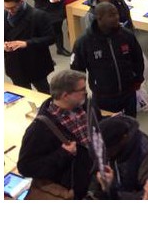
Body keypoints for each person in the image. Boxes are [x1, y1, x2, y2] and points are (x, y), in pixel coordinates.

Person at [17, 69, 94, 199]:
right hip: (74, 187)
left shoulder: (84, 104)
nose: (85, 92)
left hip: (92, 172)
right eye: (81, 90)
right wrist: (63, 155)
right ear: (65, 95)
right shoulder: (39, 129)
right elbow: (25, 167)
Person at [71, 1, 144, 117]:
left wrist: (138, 78)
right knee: (107, 129)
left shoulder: (126, 35)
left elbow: (138, 58)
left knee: (131, 126)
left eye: (116, 14)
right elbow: (76, 71)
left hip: (128, 92)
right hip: (103, 96)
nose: (116, 18)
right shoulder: (84, 42)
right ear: (99, 18)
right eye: (111, 15)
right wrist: (81, 94)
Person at [92, 115, 148, 199]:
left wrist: (114, 193)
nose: (105, 155)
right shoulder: (110, 143)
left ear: (124, 139)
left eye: (108, 151)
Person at [4, 0, 54, 93]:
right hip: (15, 64)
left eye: (13, 7)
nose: (10, 11)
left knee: (45, 93)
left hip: (35, 62)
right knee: (24, 95)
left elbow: (50, 38)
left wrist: (26, 43)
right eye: (6, 8)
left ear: (21, 2)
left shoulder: (38, 15)